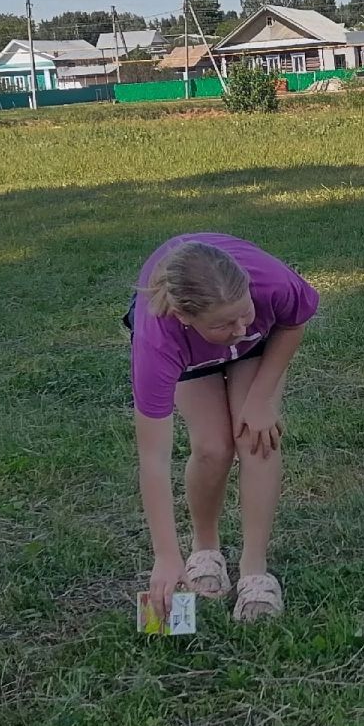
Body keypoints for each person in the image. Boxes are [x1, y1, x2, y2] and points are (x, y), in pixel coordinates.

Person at [127, 233, 318, 623]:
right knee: (213, 447)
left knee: (257, 439)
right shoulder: (158, 340)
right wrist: (166, 554)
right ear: (184, 316)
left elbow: (294, 322)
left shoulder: (270, 282)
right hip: (192, 356)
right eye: (223, 324)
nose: (238, 328)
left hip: (257, 352)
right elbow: (154, 457)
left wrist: (262, 398)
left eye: (244, 312)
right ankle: (205, 549)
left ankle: (254, 571)